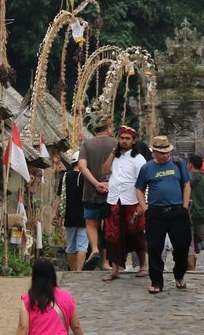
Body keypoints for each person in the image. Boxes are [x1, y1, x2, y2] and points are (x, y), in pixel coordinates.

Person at [135, 135, 191, 294]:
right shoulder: (147, 168)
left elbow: (187, 185)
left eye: (167, 151)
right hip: (155, 213)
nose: (165, 155)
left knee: (182, 246)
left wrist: (185, 206)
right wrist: (145, 208)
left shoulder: (178, 164)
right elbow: (139, 189)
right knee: (154, 248)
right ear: (154, 152)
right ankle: (156, 281)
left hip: (177, 211)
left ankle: (179, 274)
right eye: (161, 152)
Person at [101, 125, 148, 281]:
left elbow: (143, 183)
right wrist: (113, 153)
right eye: (121, 138)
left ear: (133, 141)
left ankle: (143, 266)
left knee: (136, 234)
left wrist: (143, 205)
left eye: (127, 139)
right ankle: (114, 269)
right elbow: (105, 170)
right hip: (114, 200)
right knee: (112, 236)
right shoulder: (114, 157)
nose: (124, 141)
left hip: (132, 201)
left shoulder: (138, 159)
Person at [78, 115, 115, 269]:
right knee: (108, 225)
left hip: (91, 192)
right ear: (108, 128)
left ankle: (94, 249)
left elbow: (82, 167)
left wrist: (96, 183)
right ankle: (106, 262)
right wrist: (108, 183)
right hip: (112, 192)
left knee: (91, 223)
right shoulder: (116, 144)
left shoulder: (87, 145)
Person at [52, 151, 88, 271]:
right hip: (84, 216)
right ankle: (79, 271)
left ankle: (72, 272)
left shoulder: (65, 176)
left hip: (69, 215)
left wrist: (54, 213)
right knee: (82, 246)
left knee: (71, 246)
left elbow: (58, 196)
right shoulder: (88, 177)